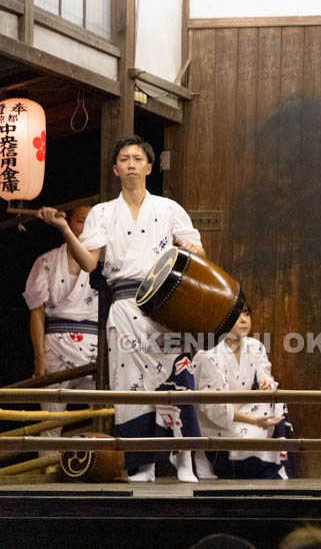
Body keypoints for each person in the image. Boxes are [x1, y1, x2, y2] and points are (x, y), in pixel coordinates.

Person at [38, 135, 205, 483]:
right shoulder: (102, 213)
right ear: (116, 169)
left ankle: (184, 458)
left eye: (137, 158)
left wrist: (190, 249)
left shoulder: (169, 208)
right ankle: (142, 463)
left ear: (149, 166)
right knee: (130, 386)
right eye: (124, 159)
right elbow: (88, 263)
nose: (131, 163)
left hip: (165, 304)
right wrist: (66, 228)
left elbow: (199, 253)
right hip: (125, 303)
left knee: (179, 375)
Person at [23, 204, 99, 434]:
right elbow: (36, 313)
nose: (85, 228)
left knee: (104, 413)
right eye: (80, 221)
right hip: (55, 345)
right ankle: (46, 468)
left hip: (94, 347)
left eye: (91, 222)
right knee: (50, 420)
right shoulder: (46, 261)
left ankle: (104, 467)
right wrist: (39, 358)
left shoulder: (104, 263)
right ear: (68, 222)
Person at [193, 309, 291, 480]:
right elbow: (215, 407)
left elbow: (265, 374)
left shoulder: (255, 346)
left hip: (243, 408)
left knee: (278, 404)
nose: (244, 320)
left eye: (246, 314)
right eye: (236, 316)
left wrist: (265, 383)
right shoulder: (208, 354)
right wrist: (253, 421)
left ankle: (273, 466)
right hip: (216, 419)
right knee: (252, 435)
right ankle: (207, 457)